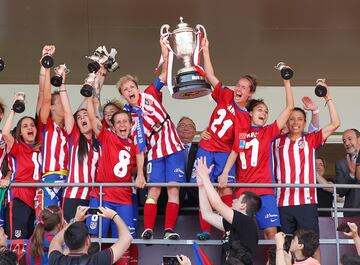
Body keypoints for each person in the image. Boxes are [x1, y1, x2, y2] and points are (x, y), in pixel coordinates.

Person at [117, 37, 185, 240]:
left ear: (137, 88)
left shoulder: (150, 93)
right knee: (153, 190)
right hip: (154, 149)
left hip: (172, 144)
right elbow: (139, 145)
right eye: (125, 90)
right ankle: (148, 229)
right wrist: (139, 174)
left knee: (173, 189)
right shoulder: (128, 116)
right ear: (123, 96)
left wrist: (163, 48)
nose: (130, 91)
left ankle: (169, 230)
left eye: (131, 87)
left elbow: (165, 74)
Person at [191, 36, 256, 241]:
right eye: (238, 85)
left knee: (225, 186)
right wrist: (206, 49)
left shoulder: (245, 119)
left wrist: (226, 170)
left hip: (224, 153)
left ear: (250, 94)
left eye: (244, 87)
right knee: (202, 184)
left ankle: (229, 228)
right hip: (206, 146)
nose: (239, 88)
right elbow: (210, 74)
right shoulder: (226, 94)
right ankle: (205, 230)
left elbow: (237, 149)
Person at [220, 72, 294, 241]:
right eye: (260, 109)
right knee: (237, 234)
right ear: (250, 113)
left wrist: (286, 80)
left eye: (266, 111)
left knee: (271, 235)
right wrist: (206, 133)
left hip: (265, 190)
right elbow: (227, 145)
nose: (264, 113)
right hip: (243, 191)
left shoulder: (268, 132)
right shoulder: (241, 132)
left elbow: (289, 108)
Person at [273, 80, 340, 261]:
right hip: (283, 202)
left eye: (300, 119)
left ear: (304, 123)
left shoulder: (310, 139)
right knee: (287, 247)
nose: (295, 122)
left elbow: (335, 123)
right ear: (286, 121)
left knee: (312, 245)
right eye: (292, 119)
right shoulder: (276, 140)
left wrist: (328, 98)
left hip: (306, 201)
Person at [86, 95, 143, 264]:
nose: (122, 124)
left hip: (123, 198)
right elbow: (92, 117)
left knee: (124, 239)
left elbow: (140, 154)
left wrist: (140, 173)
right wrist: (89, 97)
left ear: (131, 125)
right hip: (102, 195)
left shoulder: (134, 143)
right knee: (95, 237)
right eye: (118, 122)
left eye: (125, 121)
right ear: (112, 125)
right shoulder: (107, 136)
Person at [196, 156, 261, 264]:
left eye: (238, 199)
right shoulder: (233, 223)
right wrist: (201, 186)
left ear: (243, 206)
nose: (234, 200)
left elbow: (217, 204)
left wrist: (205, 177)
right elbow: (207, 214)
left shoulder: (246, 222)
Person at [58, 69, 100, 222]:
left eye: (85, 116)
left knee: (88, 238)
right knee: (71, 234)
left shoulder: (99, 142)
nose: (82, 118)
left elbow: (95, 104)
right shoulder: (75, 137)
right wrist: (62, 82)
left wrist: (97, 79)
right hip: (73, 196)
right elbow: (68, 110)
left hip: (92, 196)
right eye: (79, 117)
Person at [2, 96, 41, 239]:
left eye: (32, 125)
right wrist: (14, 109)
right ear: (20, 133)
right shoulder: (18, 148)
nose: (30, 127)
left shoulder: (40, 151)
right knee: (17, 244)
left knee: (31, 246)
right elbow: (5, 134)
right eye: (25, 126)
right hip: (19, 200)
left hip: (36, 203)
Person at [37, 45, 69, 211]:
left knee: (65, 224)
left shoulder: (67, 129)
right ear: (52, 108)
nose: (65, 106)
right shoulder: (46, 125)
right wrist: (46, 66)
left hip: (68, 180)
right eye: (61, 103)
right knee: (48, 222)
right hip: (49, 178)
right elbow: (45, 97)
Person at [48, 206, 132, 265]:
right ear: (88, 241)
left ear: (66, 241)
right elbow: (127, 237)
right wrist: (114, 216)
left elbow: (55, 241)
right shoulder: (97, 261)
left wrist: (75, 220)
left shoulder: (56, 260)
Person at [336, 129, 360, 217]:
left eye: (350, 139)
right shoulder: (341, 164)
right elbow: (341, 191)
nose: (346, 143)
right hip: (351, 212)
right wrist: (352, 175)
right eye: (344, 141)